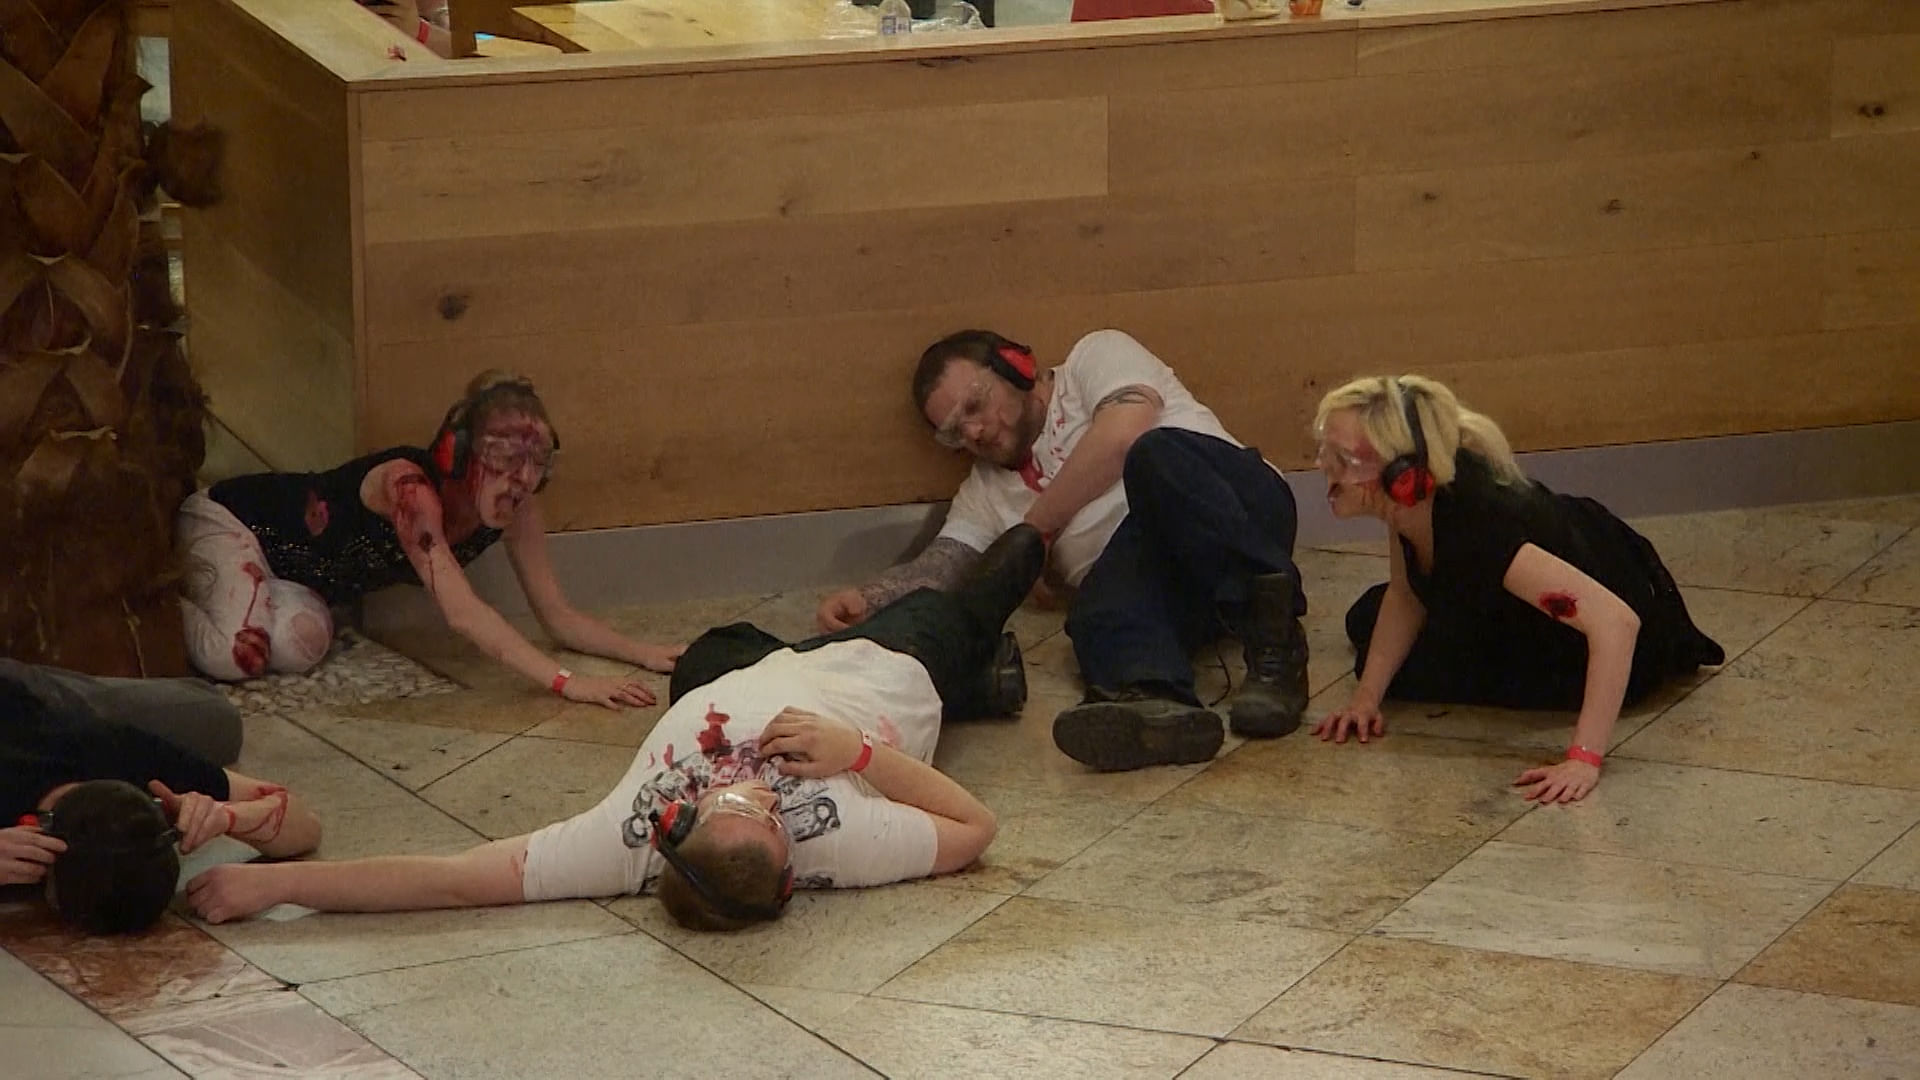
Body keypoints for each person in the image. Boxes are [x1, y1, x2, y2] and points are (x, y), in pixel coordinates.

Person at [183, 525, 1049, 931]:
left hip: (737, 674)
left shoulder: (626, 838)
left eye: (735, 805)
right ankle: (983, 644)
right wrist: (856, 753)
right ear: (795, 870)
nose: (756, 793)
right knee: (948, 610)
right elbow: (975, 829)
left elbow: (451, 880)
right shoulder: (840, 840)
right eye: (770, 815)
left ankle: (975, 674)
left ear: (678, 821)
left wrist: (277, 887)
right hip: (879, 674)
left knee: (708, 651)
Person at [815, 329, 1309, 773]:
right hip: (1158, 581)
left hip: (1235, 510)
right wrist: (871, 596)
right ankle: (1155, 704)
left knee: (1153, 456)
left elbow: (1124, 434)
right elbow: (949, 560)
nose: (974, 432)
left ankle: (1277, 640)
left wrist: (1033, 532)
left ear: (1017, 366)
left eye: (974, 406)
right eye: (953, 433)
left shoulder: (1095, 357)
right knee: (1095, 608)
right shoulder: (985, 491)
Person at [1309, 375, 1726, 803]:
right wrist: (1365, 699)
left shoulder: (1484, 528)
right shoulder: (1413, 506)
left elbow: (1617, 623)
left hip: (1608, 642)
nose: (1324, 467)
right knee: (1368, 622)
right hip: (1521, 601)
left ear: (1403, 474)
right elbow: (1405, 594)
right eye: (1325, 450)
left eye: (1342, 459)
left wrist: (1584, 758)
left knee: (1420, 667)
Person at [177, 371, 683, 707]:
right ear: (456, 453)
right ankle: (163, 601)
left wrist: (642, 652)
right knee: (235, 655)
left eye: (537, 463)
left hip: (294, 577)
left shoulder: (517, 505)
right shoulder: (410, 490)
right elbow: (464, 614)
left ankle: (250, 602)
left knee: (299, 647)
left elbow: (558, 615)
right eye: (505, 458)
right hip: (232, 522)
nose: (522, 478)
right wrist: (569, 684)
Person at [0, 669, 320, 934]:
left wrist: (227, 817)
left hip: (45, 708)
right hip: (29, 703)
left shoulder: (126, 755)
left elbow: (306, 826)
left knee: (218, 719)